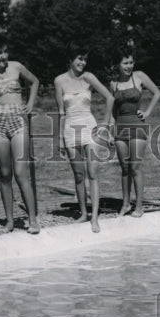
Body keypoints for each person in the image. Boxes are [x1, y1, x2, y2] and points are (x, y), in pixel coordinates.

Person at [0, 35, 40, 233]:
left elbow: (35, 81)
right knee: (5, 174)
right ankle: (10, 221)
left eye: (5, 51)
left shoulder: (17, 67)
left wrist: (30, 103)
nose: (4, 56)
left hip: (18, 122)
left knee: (21, 173)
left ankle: (33, 219)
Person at [54, 47, 113, 233]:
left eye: (85, 59)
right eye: (79, 59)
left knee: (93, 173)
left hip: (90, 128)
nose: (82, 63)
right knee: (79, 175)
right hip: (70, 130)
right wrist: (59, 139)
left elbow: (110, 97)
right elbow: (61, 112)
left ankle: (95, 216)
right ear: (71, 59)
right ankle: (83, 213)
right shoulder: (59, 81)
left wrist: (105, 124)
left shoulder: (89, 77)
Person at [109, 52, 160, 218]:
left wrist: (147, 112)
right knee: (124, 169)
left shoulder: (139, 76)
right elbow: (113, 109)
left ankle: (139, 206)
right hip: (120, 127)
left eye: (131, 62)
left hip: (137, 126)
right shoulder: (113, 83)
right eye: (125, 63)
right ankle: (125, 204)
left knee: (135, 167)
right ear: (118, 64)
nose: (129, 66)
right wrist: (110, 130)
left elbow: (157, 93)